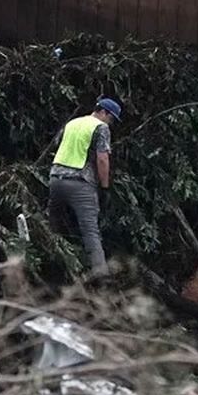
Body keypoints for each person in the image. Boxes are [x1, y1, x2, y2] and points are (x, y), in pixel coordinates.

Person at [46, 97, 122, 273]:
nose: (110, 123)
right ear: (103, 112)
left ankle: (52, 266)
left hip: (55, 179)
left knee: (53, 224)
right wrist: (105, 187)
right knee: (90, 232)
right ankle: (101, 275)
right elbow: (102, 159)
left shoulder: (73, 123)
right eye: (111, 119)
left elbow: (59, 145)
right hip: (80, 183)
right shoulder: (100, 127)